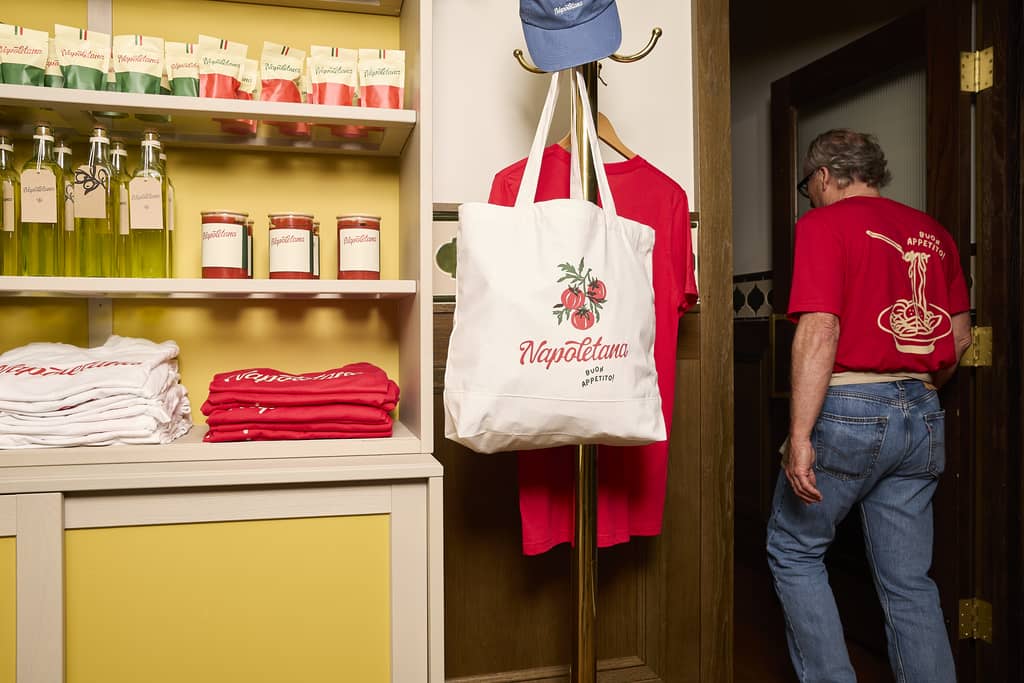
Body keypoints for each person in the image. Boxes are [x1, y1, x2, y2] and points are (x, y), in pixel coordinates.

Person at [766, 129, 972, 683]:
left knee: (795, 550)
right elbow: (958, 338)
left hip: (848, 406)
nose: (810, 195)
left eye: (810, 185)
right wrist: (920, 384)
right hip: (923, 411)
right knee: (909, 582)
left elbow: (820, 329)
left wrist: (802, 434)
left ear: (825, 176)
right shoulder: (934, 232)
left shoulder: (822, 224)